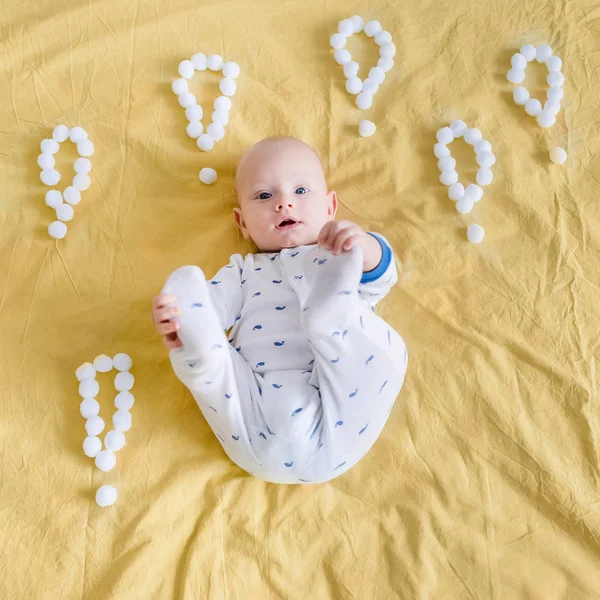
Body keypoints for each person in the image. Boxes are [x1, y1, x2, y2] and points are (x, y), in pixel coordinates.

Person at [151, 136, 408, 483]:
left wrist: (364, 246)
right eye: (264, 196)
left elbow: (382, 278)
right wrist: (181, 320)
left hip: (339, 409)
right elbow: (211, 306)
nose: (284, 203)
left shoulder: (340, 258)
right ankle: (201, 355)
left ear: (330, 208)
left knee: (380, 355)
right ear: (242, 223)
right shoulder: (242, 271)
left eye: (301, 191)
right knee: (216, 364)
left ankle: (333, 321)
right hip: (255, 420)